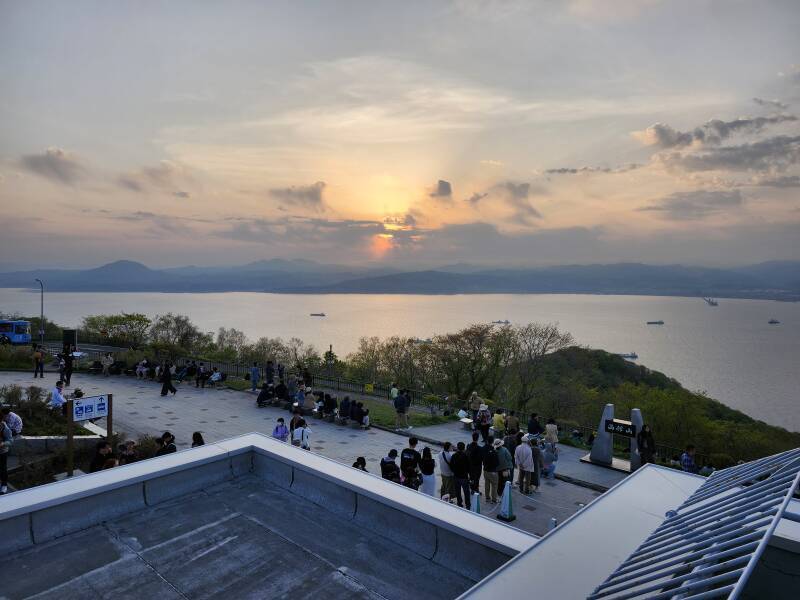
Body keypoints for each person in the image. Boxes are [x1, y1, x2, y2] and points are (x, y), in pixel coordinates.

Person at [450, 442, 471, 509]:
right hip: (464, 477)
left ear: (457, 447)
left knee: (458, 491)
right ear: (464, 448)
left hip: (456, 476)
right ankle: (468, 505)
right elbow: (469, 466)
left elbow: (451, 466)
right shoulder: (466, 456)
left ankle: (459, 503)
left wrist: (454, 471)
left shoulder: (454, 456)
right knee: (466, 492)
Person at [483, 439, 501, 503]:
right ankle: (494, 499)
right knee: (494, 485)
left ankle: (487, 497)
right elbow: (497, 463)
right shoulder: (495, 453)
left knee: (487, 484)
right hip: (493, 471)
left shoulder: (485, 451)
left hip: (485, 470)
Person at [0, 417, 12, 494]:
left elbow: (10, 441)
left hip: (2, 451)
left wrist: (3, 443)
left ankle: (4, 485)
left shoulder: (5, 428)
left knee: (3, 468)